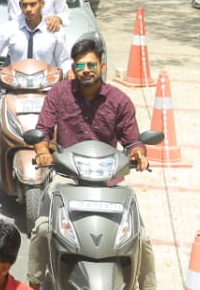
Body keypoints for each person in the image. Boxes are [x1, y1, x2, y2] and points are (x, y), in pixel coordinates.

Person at [27, 38, 155, 289]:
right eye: (80, 65)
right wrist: (42, 150)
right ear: (73, 68)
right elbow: (42, 130)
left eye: (91, 65)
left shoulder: (119, 100)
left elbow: (132, 141)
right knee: (43, 230)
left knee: (141, 236)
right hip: (67, 176)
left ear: (102, 66)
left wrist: (139, 153)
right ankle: (33, 282)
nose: (85, 70)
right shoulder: (59, 93)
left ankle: (148, 286)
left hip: (110, 179)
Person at [0, 0, 71, 73]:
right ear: (20, 5)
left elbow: (64, 60)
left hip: (47, 80)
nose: (28, 9)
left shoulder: (54, 29)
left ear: (42, 4)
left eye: (33, 4)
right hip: (16, 80)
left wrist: (69, 72)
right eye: (24, 5)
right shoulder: (10, 28)